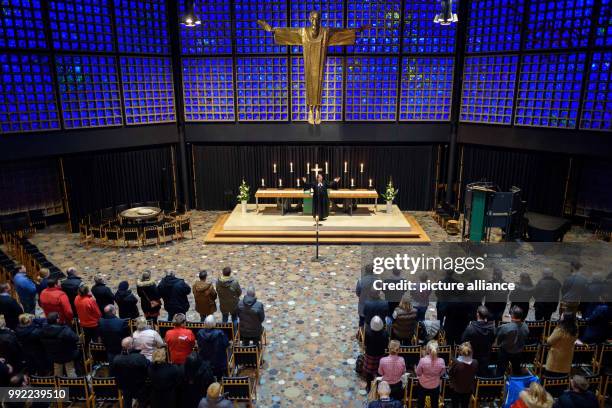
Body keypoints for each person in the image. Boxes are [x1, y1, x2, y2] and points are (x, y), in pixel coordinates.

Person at [113, 337, 149, 408]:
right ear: (131, 345)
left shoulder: (116, 359)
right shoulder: (139, 358)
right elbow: (147, 367)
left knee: (127, 403)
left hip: (125, 386)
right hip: (139, 385)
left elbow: (115, 373)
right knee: (142, 401)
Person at [39, 312, 79, 377]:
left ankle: (59, 386)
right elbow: (76, 338)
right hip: (67, 354)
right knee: (70, 370)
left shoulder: (42, 331)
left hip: (54, 355)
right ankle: (74, 386)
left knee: (57, 371)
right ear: (57, 320)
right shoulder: (64, 330)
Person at [462, 305, 495, 377]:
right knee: (482, 375)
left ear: (477, 314)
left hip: (473, 356)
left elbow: (463, 341)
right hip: (486, 356)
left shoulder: (470, 328)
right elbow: (493, 340)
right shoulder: (492, 328)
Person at [496, 306, 529, 376]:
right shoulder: (526, 327)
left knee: (500, 370)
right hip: (518, 352)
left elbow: (498, 339)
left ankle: (499, 378)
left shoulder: (505, 327)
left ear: (512, 316)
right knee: (517, 370)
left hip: (505, 351)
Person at [543, 312, 577, 377]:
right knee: (562, 378)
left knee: (551, 377)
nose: (560, 317)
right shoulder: (575, 330)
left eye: (562, 316)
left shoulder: (560, 330)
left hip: (556, 358)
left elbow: (549, 341)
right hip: (567, 357)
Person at [197, 315, 230, 379]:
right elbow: (226, 344)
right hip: (218, 364)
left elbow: (199, 345)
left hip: (205, 363)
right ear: (214, 324)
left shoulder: (200, 333)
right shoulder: (220, 334)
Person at [415, 340, 446, 408]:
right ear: (438, 350)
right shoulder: (441, 361)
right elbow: (442, 373)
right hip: (435, 385)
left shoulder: (422, 360)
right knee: (435, 404)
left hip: (423, 385)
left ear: (427, 350)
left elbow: (418, 373)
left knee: (420, 403)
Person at [448, 342, 478, 408]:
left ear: (460, 352)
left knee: (455, 405)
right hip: (468, 389)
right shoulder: (475, 362)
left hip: (456, 389)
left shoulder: (456, 362)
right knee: (465, 405)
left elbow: (450, 373)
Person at [364, 316, 388, 391]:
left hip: (370, 354)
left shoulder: (368, 332)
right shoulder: (385, 333)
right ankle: (378, 387)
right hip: (380, 355)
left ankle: (368, 386)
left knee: (369, 373)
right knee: (379, 372)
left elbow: (365, 343)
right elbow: (386, 345)